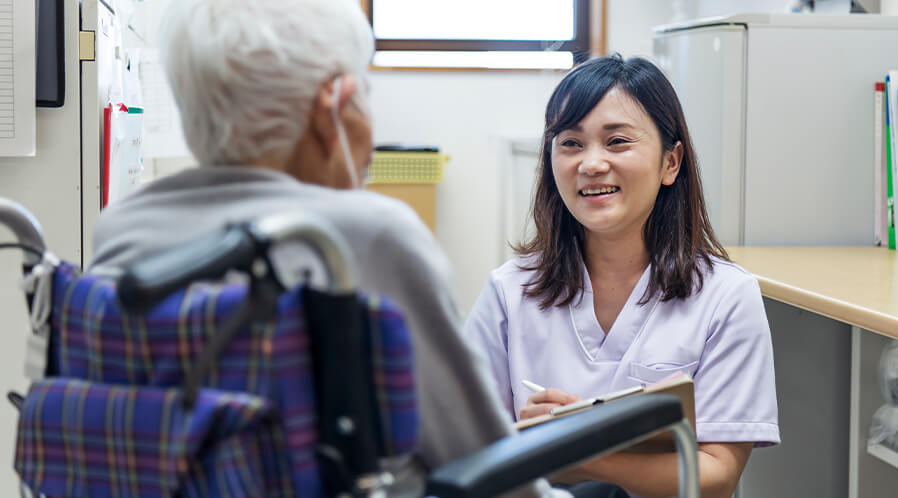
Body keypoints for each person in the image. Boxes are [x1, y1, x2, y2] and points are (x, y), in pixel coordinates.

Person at [89, 0, 564, 496]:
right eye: (365, 97)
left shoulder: (123, 225)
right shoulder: (361, 236)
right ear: (333, 106)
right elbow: (486, 465)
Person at [464, 55, 780, 498]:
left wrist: (572, 448)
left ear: (671, 163)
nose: (591, 163)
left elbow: (715, 475)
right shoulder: (509, 290)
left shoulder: (727, 296)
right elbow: (468, 444)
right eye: (570, 143)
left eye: (616, 141)